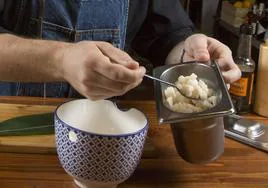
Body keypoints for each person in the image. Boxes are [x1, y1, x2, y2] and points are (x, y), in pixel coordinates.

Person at [0, 0, 241, 100]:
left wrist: (190, 55)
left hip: (109, 130)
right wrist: (60, 60)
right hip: (14, 122)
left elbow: (167, 35)